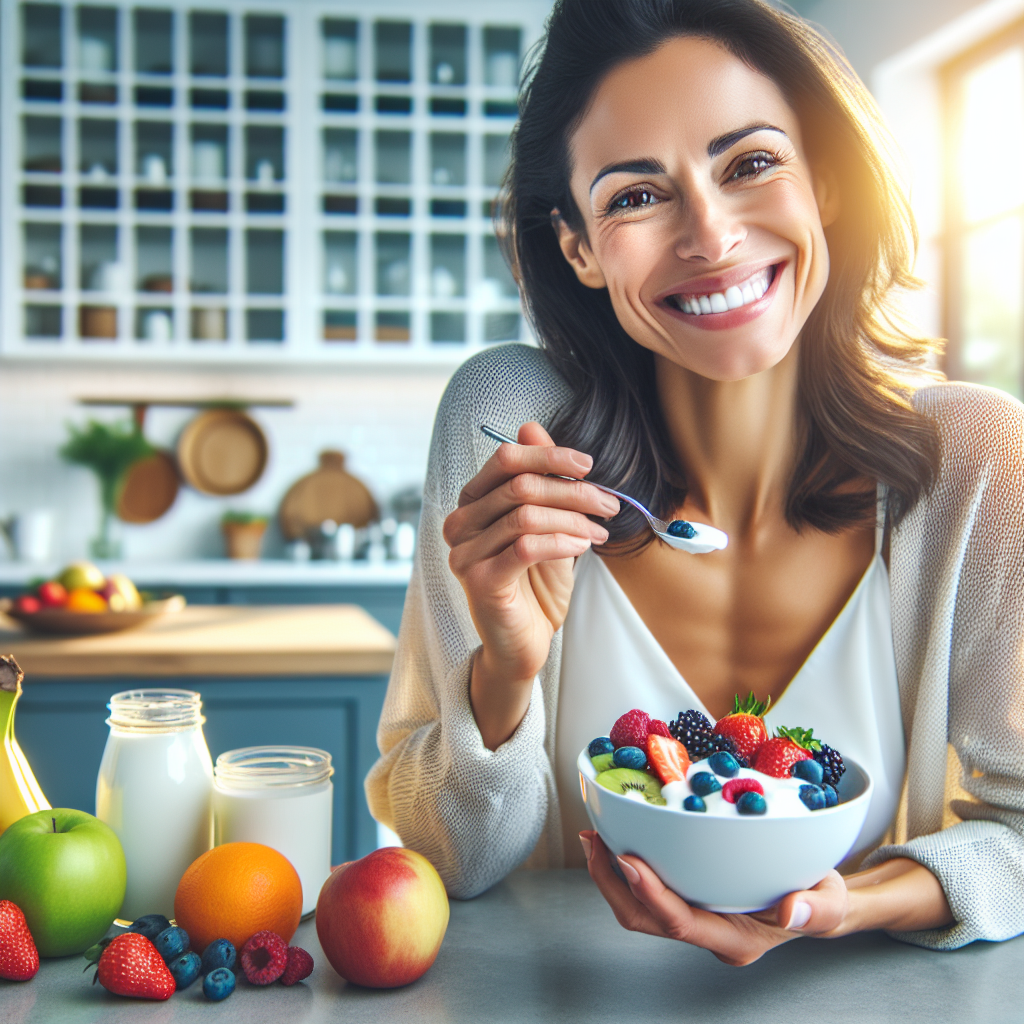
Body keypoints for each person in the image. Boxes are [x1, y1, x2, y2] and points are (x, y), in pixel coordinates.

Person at [366, 0, 1024, 964]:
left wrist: (838, 907)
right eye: (636, 196)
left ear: (826, 183)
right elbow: (448, 859)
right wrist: (503, 669)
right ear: (578, 247)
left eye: (750, 164)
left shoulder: (974, 463)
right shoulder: (510, 425)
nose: (710, 236)